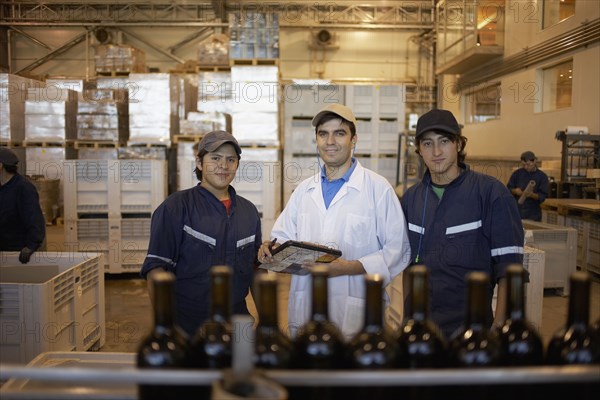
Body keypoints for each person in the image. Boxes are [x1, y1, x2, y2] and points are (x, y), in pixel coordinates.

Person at [258, 103, 411, 338]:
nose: (330, 141)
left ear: (354, 139)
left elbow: (397, 250)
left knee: (355, 371)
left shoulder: (378, 189)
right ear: (316, 140)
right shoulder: (304, 190)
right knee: (310, 372)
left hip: (357, 311)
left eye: (339, 133)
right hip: (306, 308)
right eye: (323, 134)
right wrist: (271, 250)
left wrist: (349, 268)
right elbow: (284, 237)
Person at [400, 109, 524, 339]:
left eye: (444, 141)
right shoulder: (412, 199)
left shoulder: (491, 194)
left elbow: (510, 270)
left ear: (458, 144)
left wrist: (497, 329)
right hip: (421, 330)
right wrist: (407, 319)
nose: (436, 152)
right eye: (427, 144)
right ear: (419, 150)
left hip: (472, 331)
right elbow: (408, 267)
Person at [141, 131, 262, 337]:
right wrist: (166, 326)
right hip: (188, 327)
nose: (223, 166)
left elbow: (256, 270)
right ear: (199, 162)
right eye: (215, 158)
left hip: (238, 324)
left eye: (230, 159)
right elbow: (156, 271)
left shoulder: (248, 212)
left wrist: (266, 320)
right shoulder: (176, 207)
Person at [0, 148, 46, 263]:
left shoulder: (24, 188)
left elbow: (34, 219)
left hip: (17, 250)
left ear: (1, 166)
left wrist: (31, 246)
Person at [507, 151, 549, 221]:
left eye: (528, 164)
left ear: (535, 161)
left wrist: (531, 195)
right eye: (523, 165)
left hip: (533, 214)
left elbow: (542, 196)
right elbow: (508, 189)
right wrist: (514, 191)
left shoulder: (542, 177)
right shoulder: (517, 174)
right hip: (518, 212)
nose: (526, 167)